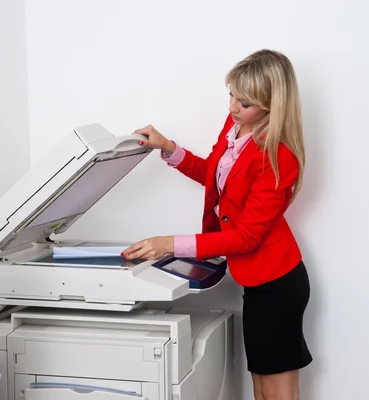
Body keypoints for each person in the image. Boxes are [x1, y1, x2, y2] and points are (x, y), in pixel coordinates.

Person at [122, 49, 312, 400]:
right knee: (260, 385)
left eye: (246, 103)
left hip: (278, 284)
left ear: (272, 105)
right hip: (255, 282)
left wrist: (169, 243)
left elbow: (246, 238)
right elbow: (213, 175)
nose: (233, 108)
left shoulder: (279, 156)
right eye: (232, 95)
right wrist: (167, 147)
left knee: (278, 390)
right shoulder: (235, 127)